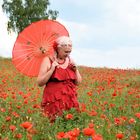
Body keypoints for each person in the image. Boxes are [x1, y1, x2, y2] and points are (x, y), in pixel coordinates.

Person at [37, 36, 82, 121]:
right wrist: (51, 69)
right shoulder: (48, 60)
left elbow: (78, 82)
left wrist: (76, 70)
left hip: (70, 99)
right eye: (65, 52)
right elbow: (40, 82)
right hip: (53, 99)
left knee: (70, 123)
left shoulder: (70, 61)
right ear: (58, 49)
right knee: (53, 122)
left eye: (69, 52)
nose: (68, 54)